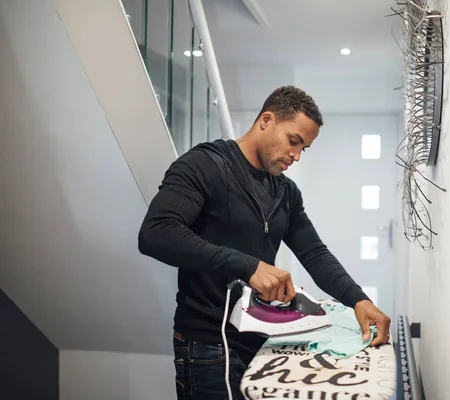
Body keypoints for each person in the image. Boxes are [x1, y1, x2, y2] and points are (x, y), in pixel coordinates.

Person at [138, 86, 391, 400]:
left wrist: (358, 300)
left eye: (304, 149)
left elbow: (314, 254)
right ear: (266, 120)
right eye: (293, 141)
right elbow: (156, 233)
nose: (296, 156)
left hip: (260, 341)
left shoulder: (285, 193)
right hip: (207, 344)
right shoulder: (204, 166)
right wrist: (248, 265)